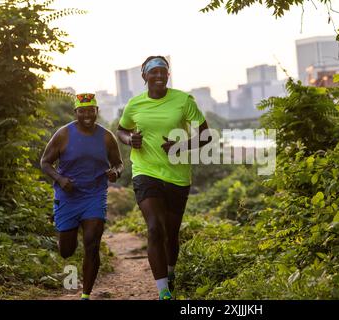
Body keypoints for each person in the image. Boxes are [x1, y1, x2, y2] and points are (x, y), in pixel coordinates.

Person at [116, 56, 211, 300]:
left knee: (171, 233)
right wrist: (129, 140)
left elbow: (205, 135)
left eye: (163, 72)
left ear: (168, 75)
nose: (159, 76)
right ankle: (163, 292)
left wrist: (181, 145)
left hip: (177, 175)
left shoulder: (183, 100)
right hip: (145, 172)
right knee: (155, 229)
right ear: (144, 76)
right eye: (154, 72)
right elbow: (122, 130)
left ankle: (170, 273)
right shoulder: (134, 105)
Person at [40, 93, 123, 300]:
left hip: (94, 195)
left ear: (97, 111)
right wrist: (60, 179)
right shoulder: (63, 134)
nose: (87, 115)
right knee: (67, 251)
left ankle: (86, 294)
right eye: (82, 111)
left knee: (92, 243)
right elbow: (45, 162)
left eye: (91, 111)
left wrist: (116, 172)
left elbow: (118, 163)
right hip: (68, 196)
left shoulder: (106, 136)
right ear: (75, 112)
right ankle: (71, 229)